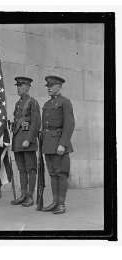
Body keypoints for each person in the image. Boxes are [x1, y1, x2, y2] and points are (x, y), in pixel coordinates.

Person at [41, 76, 75, 214]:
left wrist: (63, 144)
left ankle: (61, 204)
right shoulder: (47, 104)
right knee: (53, 174)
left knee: (61, 174)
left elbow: (70, 124)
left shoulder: (65, 102)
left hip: (59, 143)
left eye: (52, 85)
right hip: (48, 144)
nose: (49, 88)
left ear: (59, 87)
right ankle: (55, 202)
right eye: (48, 86)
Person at [11, 77, 41, 207]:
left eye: (21, 86)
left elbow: (36, 123)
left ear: (28, 87)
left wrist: (28, 140)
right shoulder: (18, 103)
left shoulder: (32, 102)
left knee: (31, 169)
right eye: (17, 86)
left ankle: (30, 196)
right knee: (21, 169)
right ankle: (23, 195)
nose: (18, 88)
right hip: (18, 140)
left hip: (27, 142)